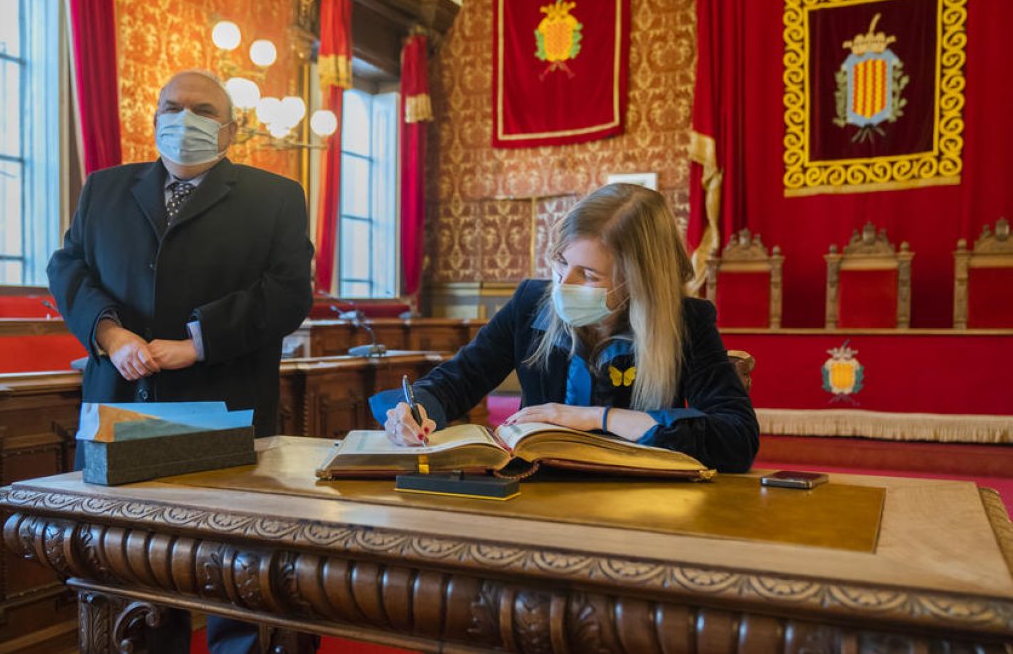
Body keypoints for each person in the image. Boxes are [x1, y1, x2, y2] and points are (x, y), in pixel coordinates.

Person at [47, 70, 313, 653]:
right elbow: (68, 268)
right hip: (121, 405)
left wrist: (200, 340)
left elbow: (291, 292)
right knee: (128, 571)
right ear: (155, 118)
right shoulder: (105, 188)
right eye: (172, 106)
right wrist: (111, 334)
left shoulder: (275, 197)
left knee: (229, 569)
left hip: (221, 404)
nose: (183, 118)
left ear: (230, 128)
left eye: (202, 109)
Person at [384, 183, 759, 473]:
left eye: (589, 275)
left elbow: (736, 440)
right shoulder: (532, 303)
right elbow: (459, 378)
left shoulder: (685, 323)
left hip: (645, 507)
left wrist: (595, 418)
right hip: (535, 490)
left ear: (639, 281)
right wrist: (415, 408)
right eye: (562, 263)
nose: (562, 285)